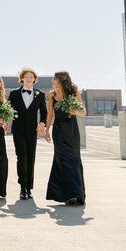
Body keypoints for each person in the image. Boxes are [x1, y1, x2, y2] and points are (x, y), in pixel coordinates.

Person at [45, 71, 87, 206]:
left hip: (72, 130)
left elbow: (83, 111)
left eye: (55, 78)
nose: (53, 80)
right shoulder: (52, 95)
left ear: (61, 79)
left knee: (74, 160)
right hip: (58, 131)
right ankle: (65, 194)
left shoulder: (74, 91)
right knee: (61, 160)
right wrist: (47, 130)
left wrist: (74, 111)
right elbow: (50, 114)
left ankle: (76, 193)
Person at [8, 67, 48, 200]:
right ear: (22, 79)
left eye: (31, 77)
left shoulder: (40, 94)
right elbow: (7, 109)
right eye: (26, 77)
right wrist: (6, 121)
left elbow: (44, 112)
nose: (29, 79)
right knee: (21, 157)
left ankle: (29, 188)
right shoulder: (14, 94)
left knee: (31, 158)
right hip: (18, 130)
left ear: (34, 79)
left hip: (32, 131)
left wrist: (42, 123)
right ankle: (22, 187)